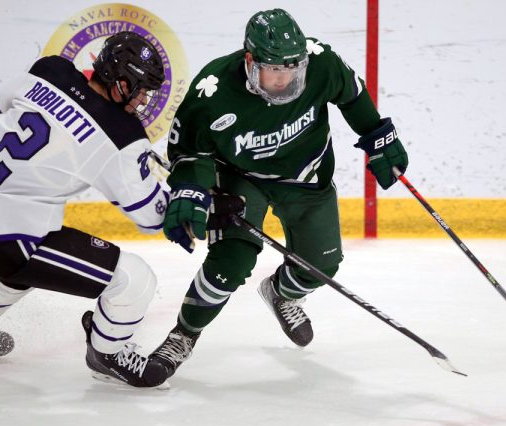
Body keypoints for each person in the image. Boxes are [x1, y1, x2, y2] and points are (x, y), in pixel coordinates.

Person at [150, 9, 409, 379]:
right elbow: (191, 153)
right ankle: (183, 335)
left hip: (307, 175)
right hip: (243, 179)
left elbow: (351, 95)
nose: (284, 79)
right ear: (250, 60)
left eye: (291, 69)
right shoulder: (213, 90)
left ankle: (282, 293)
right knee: (231, 262)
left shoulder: (321, 62)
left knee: (322, 268)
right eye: (274, 70)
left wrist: (379, 136)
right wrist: (192, 189)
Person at [0, 32, 171, 388]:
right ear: (116, 76)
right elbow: (152, 218)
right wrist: (182, 197)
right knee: (134, 279)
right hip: (8, 237)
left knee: (19, 268)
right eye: (136, 88)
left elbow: (2, 103)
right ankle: (107, 353)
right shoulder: (120, 133)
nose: (140, 100)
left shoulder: (51, 70)